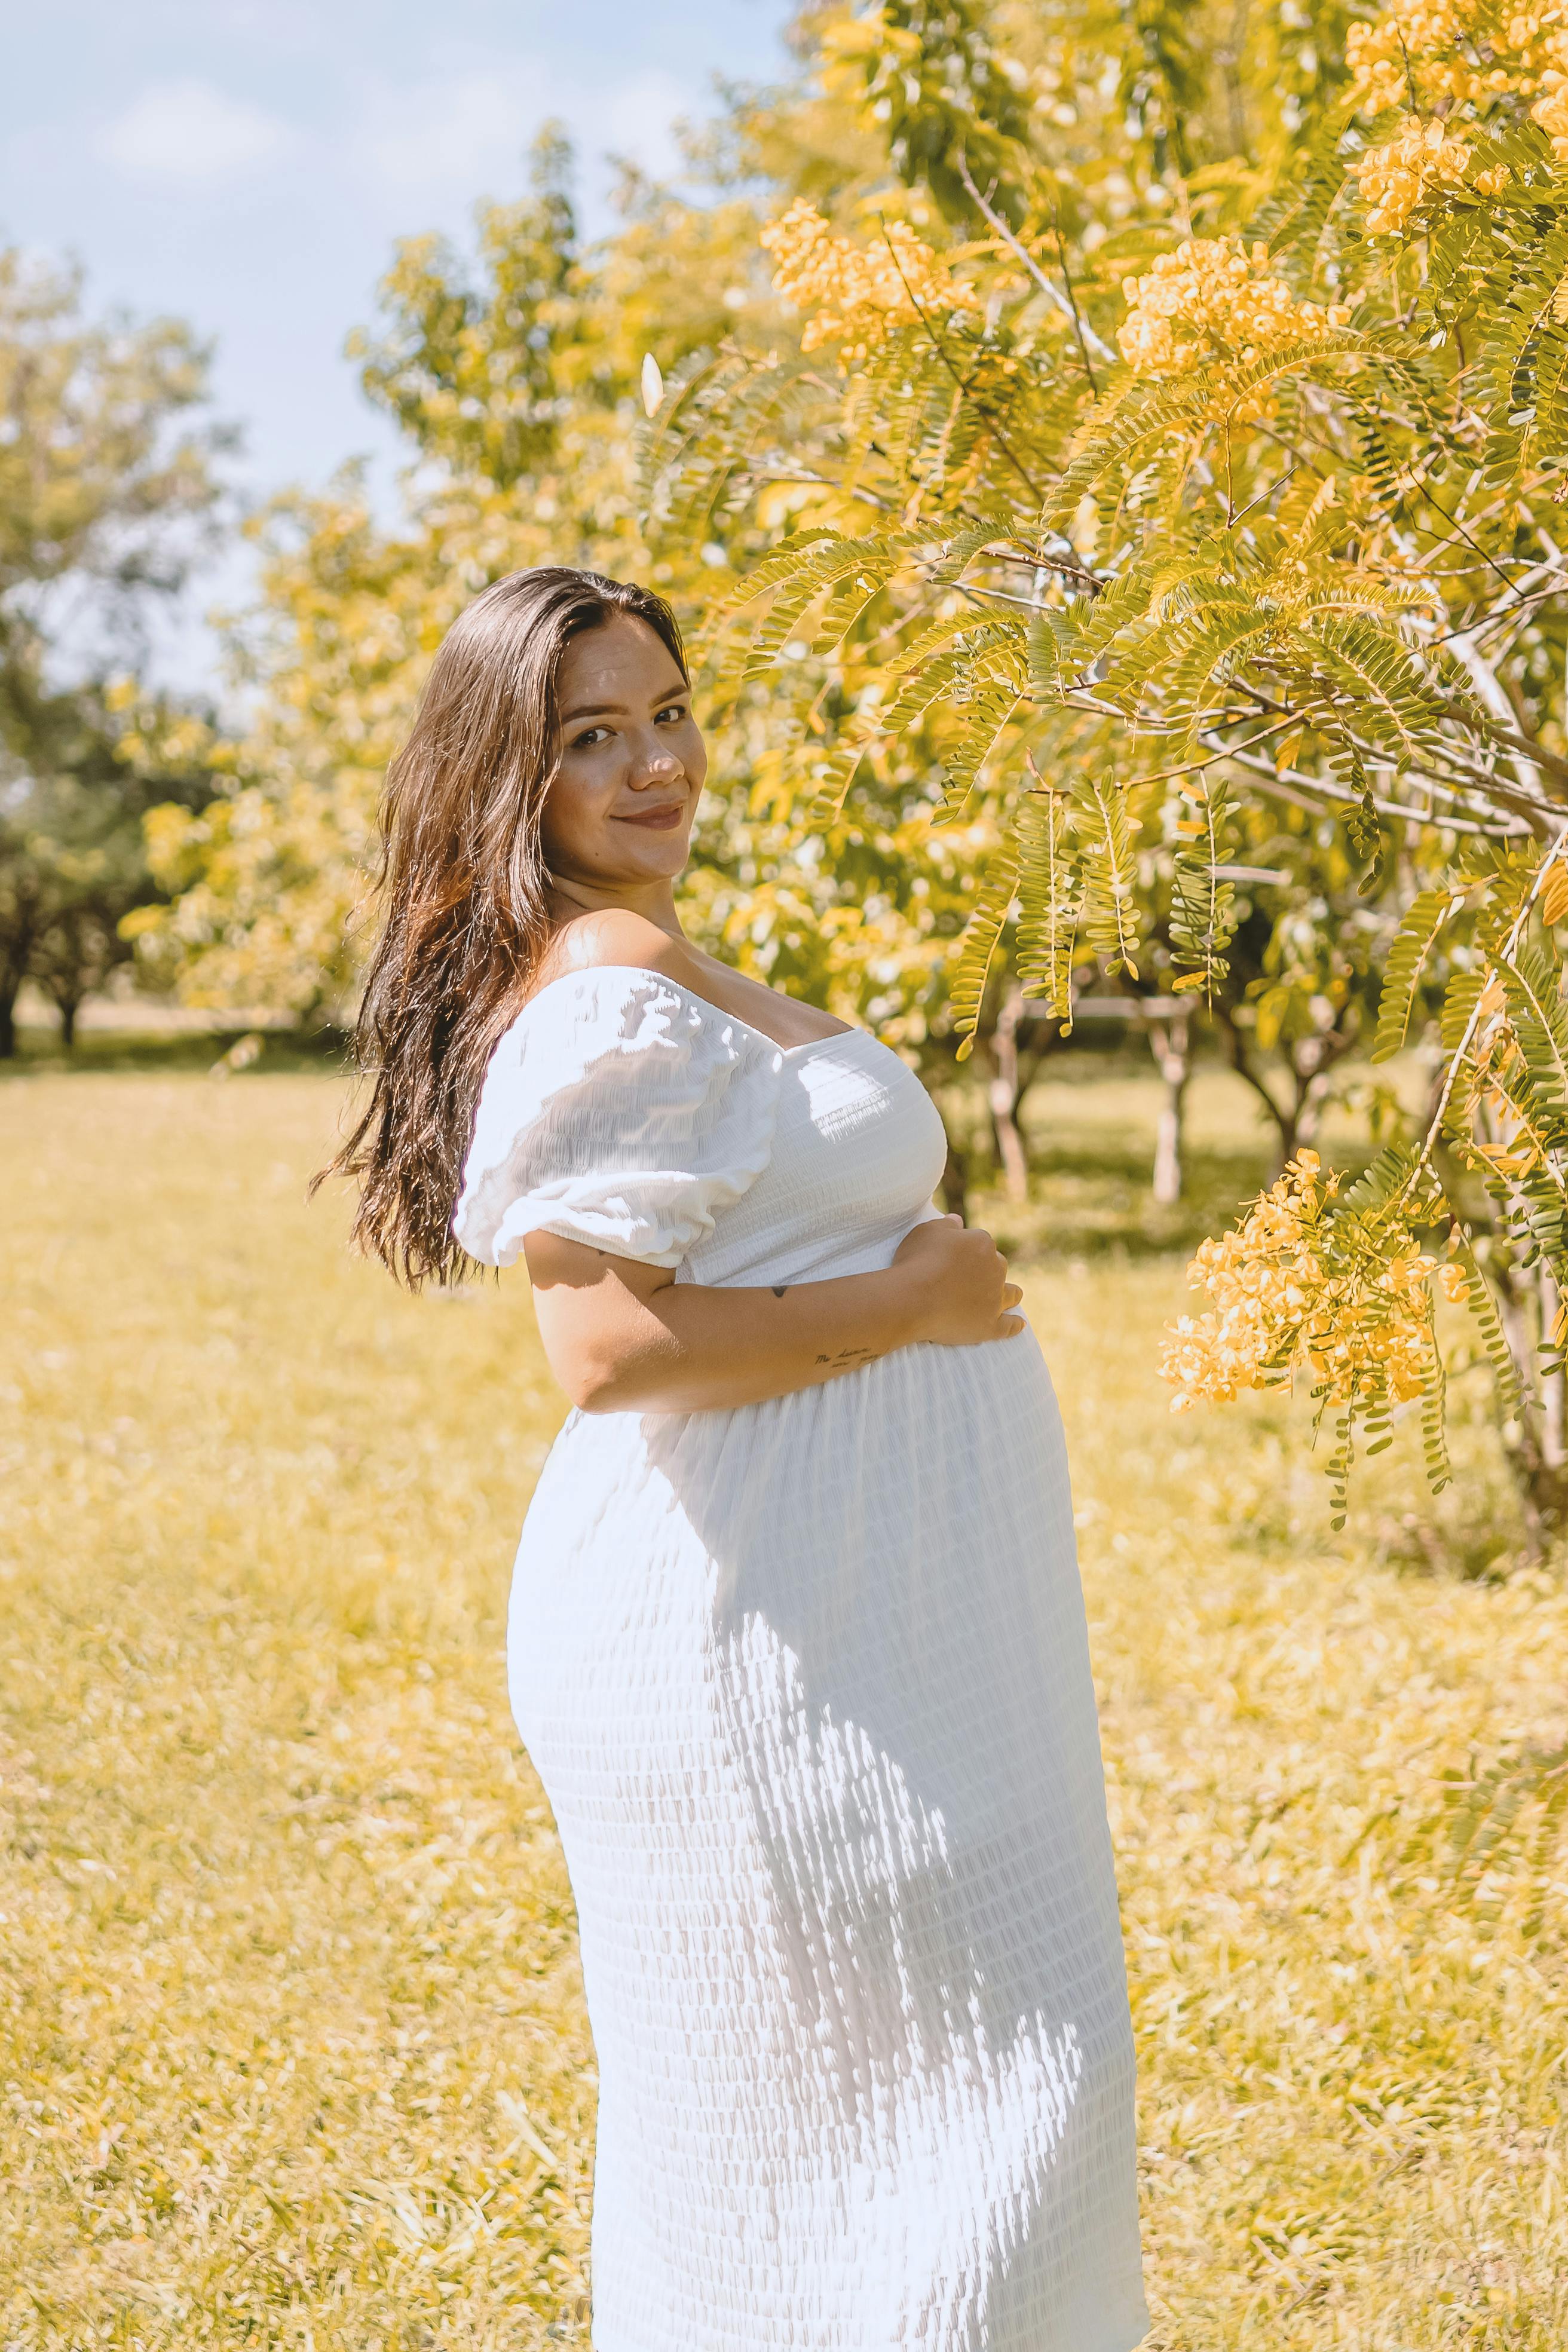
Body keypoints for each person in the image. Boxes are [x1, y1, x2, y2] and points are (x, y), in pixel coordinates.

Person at [330, 565, 1148, 2351]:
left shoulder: (659, 955)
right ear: (509, 781)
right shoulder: (609, 982)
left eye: (672, 714)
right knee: (959, 2137)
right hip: (759, 1644)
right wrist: (916, 1302)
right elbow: (604, 1344)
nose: (657, 766)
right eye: (592, 738)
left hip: (861, 1622)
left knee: (883, 2143)